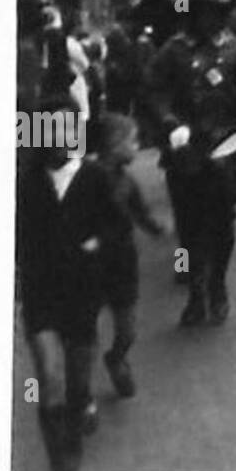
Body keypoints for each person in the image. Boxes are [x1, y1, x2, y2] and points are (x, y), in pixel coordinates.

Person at [142, 0, 236, 326]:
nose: (207, 20)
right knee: (188, 227)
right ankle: (195, 292)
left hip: (224, 152)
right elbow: (154, 90)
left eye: (214, 14)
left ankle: (218, 285)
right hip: (186, 151)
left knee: (223, 225)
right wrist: (170, 122)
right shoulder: (174, 51)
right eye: (201, 13)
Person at [16, 91, 119, 471]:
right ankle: (60, 457)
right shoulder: (26, 183)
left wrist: (98, 243)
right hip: (41, 293)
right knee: (49, 375)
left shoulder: (93, 176)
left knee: (77, 380)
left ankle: (75, 430)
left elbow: (116, 224)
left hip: (81, 293)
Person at [89, 112, 164, 401]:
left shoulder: (128, 181)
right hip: (92, 265)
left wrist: (157, 229)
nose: (138, 145)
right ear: (114, 143)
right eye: (133, 141)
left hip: (122, 264)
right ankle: (80, 393)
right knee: (85, 335)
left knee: (128, 330)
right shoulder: (89, 178)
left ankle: (117, 357)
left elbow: (141, 213)